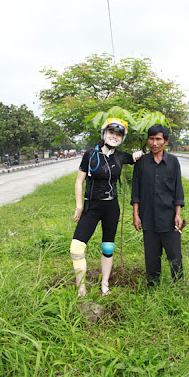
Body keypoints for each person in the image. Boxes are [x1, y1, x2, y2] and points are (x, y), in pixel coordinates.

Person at [70, 118, 143, 296]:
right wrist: (79, 206)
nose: (114, 137)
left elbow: (138, 157)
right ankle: (81, 292)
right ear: (104, 134)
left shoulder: (121, 156)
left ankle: (104, 285)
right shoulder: (89, 155)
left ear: (122, 138)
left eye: (119, 134)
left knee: (108, 248)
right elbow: (79, 181)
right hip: (91, 207)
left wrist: (139, 153)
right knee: (76, 248)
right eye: (111, 133)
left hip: (112, 207)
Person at [131, 124, 185, 287]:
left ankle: (178, 285)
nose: (154, 143)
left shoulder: (173, 162)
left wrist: (178, 214)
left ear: (166, 141)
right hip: (148, 217)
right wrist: (136, 214)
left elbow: (178, 190)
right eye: (151, 139)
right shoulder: (142, 163)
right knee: (151, 255)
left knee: (174, 254)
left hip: (169, 217)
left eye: (158, 139)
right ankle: (153, 285)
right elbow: (136, 190)